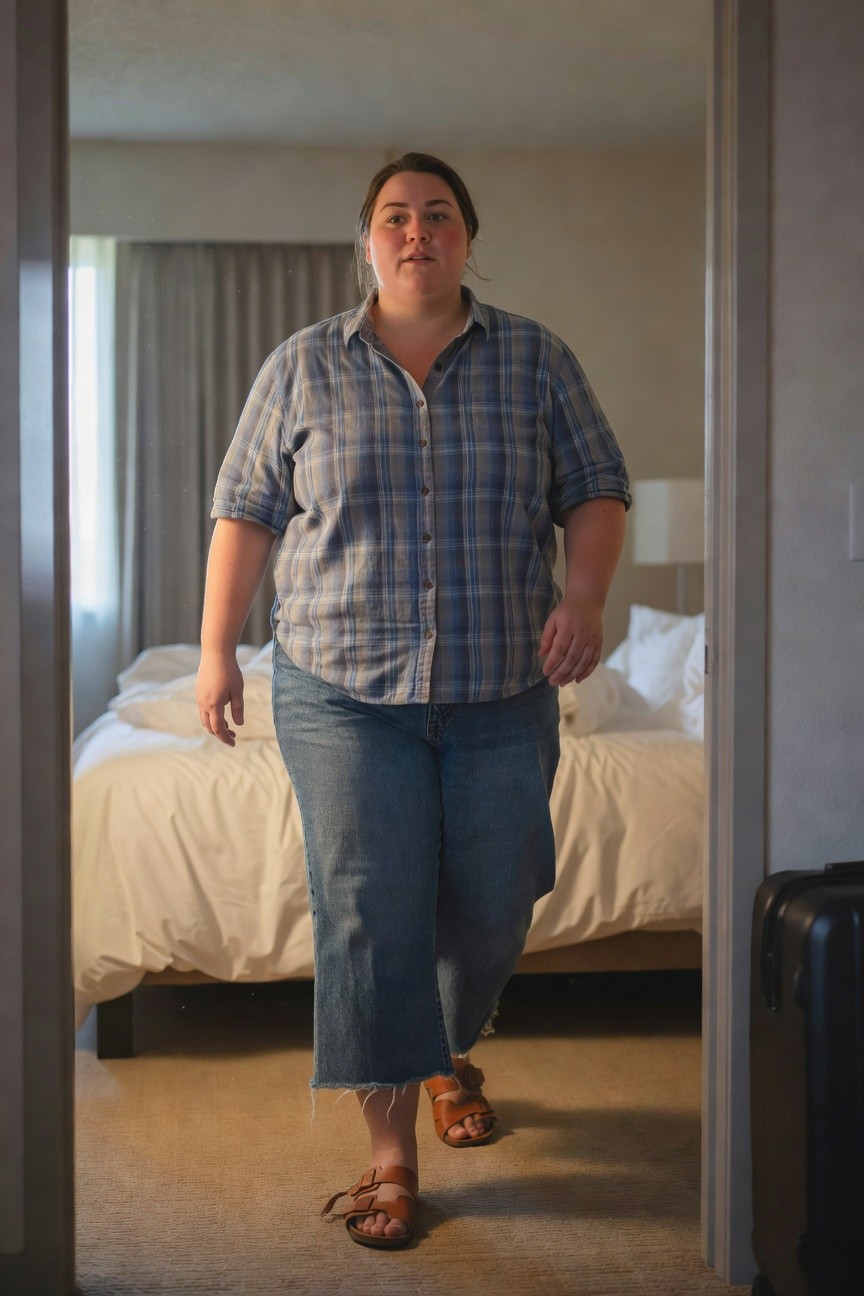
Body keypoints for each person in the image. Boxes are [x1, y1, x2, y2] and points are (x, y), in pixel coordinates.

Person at [195, 152, 630, 1250]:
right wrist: (216, 655)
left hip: (500, 687)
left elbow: (596, 489)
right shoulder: (301, 366)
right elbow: (245, 513)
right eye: (396, 216)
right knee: (368, 911)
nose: (417, 231)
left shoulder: (535, 359)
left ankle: (440, 1044)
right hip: (340, 689)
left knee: (499, 894)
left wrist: (584, 595)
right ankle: (391, 1159)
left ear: (468, 239)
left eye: (439, 215)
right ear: (368, 242)